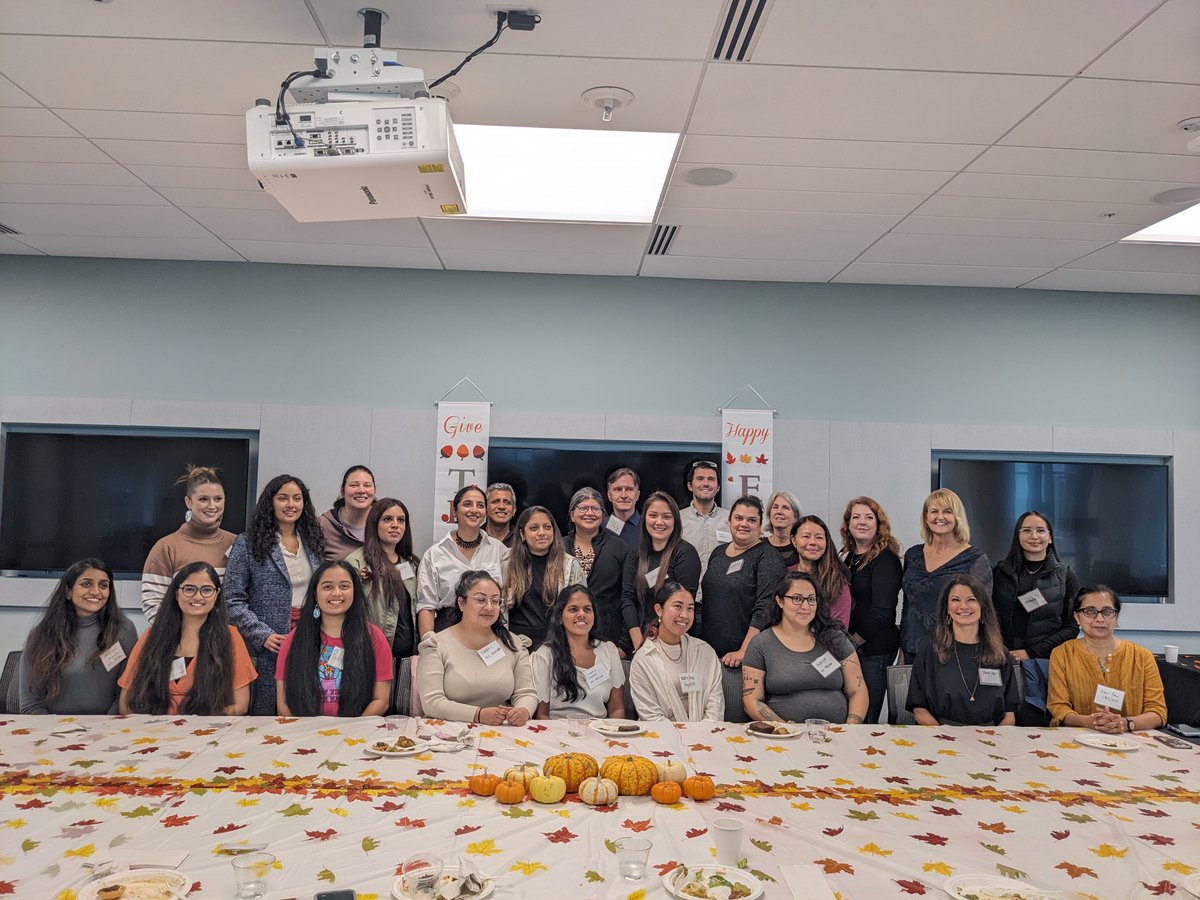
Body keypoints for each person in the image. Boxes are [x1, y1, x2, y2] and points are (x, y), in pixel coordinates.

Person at [225, 474, 324, 715]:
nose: (291, 505)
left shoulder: (313, 542)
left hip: (309, 636)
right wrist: (262, 634)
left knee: (306, 707)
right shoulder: (247, 543)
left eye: (297, 498)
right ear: (270, 502)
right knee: (266, 712)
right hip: (268, 644)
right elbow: (231, 600)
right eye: (283, 498)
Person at [119, 562, 256, 715]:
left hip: (207, 727)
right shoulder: (152, 637)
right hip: (152, 728)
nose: (197, 597)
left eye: (206, 590)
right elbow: (126, 702)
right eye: (189, 589)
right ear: (177, 594)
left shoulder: (230, 638)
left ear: (217, 595)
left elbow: (240, 706)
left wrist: (197, 725)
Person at [742, 572, 868, 724]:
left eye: (811, 599)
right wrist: (784, 728)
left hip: (837, 732)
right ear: (780, 601)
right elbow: (752, 701)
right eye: (797, 598)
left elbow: (857, 690)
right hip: (784, 734)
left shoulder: (835, 639)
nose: (806, 606)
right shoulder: (760, 644)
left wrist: (850, 728)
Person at [416, 571, 537, 725]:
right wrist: (477, 715)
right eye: (481, 600)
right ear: (461, 603)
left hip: (501, 730)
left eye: (495, 601)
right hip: (449, 730)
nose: (489, 607)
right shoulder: (436, 645)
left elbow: (526, 692)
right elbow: (432, 702)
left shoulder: (513, 644)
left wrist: (523, 711)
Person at [993, 511, 1080, 725]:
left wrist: (1031, 652)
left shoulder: (1066, 576)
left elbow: (1071, 628)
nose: (1034, 536)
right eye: (1027, 530)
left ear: (1050, 537)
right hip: (1002, 660)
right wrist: (999, 650)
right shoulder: (999, 573)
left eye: (1040, 531)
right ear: (1018, 536)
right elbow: (988, 618)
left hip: (1044, 664)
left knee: (1036, 722)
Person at [19, 558, 137, 714]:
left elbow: (125, 694)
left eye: (103, 585)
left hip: (107, 725)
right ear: (68, 591)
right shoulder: (41, 635)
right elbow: (31, 705)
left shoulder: (124, 631)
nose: (96, 592)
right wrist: (59, 728)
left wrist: (105, 725)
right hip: (52, 726)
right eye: (86, 584)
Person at [275, 560, 392, 716]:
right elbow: (283, 704)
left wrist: (353, 729)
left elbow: (381, 701)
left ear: (355, 591)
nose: (336, 593)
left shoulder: (374, 637)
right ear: (315, 594)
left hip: (358, 729)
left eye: (344, 586)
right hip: (305, 729)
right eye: (327, 587)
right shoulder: (294, 640)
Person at [1047, 586, 1167, 734]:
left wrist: (1126, 723)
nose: (1099, 619)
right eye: (1090, 612)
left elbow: (1158, 711)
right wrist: (1090, 722)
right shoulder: (1062, 654)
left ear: (1116, 617)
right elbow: (1058, 708)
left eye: (1107, 612)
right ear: (1077, 617)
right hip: (1077, 737)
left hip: (1131, 739)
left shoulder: (1142, 656)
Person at [906, 575, 1018, 726]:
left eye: (971, 600)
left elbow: (1009, 715)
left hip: (992, 735)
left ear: (983, 607)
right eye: (955, 600)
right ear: (947, 608)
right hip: (941, 733)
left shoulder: (1000, 654)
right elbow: (919, 709)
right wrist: (943, 736)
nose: (963, 606)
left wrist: (994, 738)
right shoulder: (930, 650)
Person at [899, 489, 993, 662]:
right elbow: (908, 605)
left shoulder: (975, 559)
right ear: (926, 517)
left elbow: (982, 611)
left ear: (957, 517)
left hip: (953, 652)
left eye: (947, 511)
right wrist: (902, 652)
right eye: (934, 511)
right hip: (912, 650)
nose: (940, 517)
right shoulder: (913, 555)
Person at [141, 465, 237, 624]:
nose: (212, 506)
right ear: (188, 502)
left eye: (218, 499)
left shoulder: (238, 544)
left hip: (226, 637)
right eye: (203, 499)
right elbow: (153, 603)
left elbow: (242, 601)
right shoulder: (166, 547)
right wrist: (184, 635)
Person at [699, 496, 787, 667]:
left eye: (751, 520)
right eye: (738, 518)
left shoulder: (768, 556)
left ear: (760, 526)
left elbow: (766, 608)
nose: (744, 524)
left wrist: (744, 651)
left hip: (744, 658)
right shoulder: (718, 553)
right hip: (710, 653)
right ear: (729, 521)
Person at [839, 497, 902, 724]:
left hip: (874, 651)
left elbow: (883, 612)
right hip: (849, 649)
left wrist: (851, 642)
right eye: (856, 517)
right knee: (845, 713)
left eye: (869, 517)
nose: (862, 522)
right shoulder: (847, 557)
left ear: (878, 524)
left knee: (864, 718)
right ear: (848, 524)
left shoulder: (885, 559)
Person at [416, 485, 508, 636]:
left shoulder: (499, 550)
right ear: (454, 511)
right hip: (448, 632)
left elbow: (506, 601)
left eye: (480, 505)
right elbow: (426, 606)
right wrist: (429, 645)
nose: (474, 510)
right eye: (467, 504)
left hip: (490, 634)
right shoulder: (435, 554)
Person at [619, 491, 701, 651]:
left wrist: (652, 641)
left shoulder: (685, 553)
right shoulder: (636, 552)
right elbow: (627, 597)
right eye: (653, 515)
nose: (659, 522)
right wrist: (637, 639)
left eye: (666, 516)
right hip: (637, 640)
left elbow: (683, 605)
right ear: (644, 519)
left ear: (675, 520)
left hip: (671, 639)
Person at [628, 584, 723, 721]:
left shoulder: (704, 651)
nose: (684, 615)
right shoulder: (644, 659)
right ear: (659, 610)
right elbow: (651, 715)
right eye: (678, 606)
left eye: (690, 608)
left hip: (706, 732)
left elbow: (715, 706)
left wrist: (703, 732)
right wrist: (683, 734)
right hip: (661, 732)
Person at [532, 586, 626, 719]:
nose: (581, 614)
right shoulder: (544, 656)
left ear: (594, 616)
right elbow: (541, 715)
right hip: (557, 730)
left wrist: (611, 732)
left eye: (587, 609)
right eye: (573, 609)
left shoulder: (609, 651)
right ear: (560, 617)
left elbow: (617, 709)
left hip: (599, 730)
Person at [344, 498, 418, 663]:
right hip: (371, 656)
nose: (395, 525)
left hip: (407, 660)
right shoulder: (357, 562)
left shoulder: (411, 564)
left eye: (401, 520)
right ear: (374, 523)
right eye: (387, 519)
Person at [503, 506, 586, 650]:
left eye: (547, 527)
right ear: (522, 534)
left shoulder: (571, 565)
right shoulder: (505, 562)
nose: (542, 533)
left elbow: (581, 608)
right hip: (514, 645)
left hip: (556, 644)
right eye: (534, 528)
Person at [564, 487, 630, 655]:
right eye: (583, 508)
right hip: (564, 639)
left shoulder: (619, 547)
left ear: (603, 515)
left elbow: (628, 595)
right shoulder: (558, 547)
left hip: (609, 638)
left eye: (595, 508)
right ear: (572, 515)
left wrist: (624, 644)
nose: (589, 513)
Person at [678, 460, 730, 592]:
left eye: (711, 479)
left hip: (722, 596)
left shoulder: (731, 520)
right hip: (686, 596)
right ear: (690, 485)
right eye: (700, 478)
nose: (706, 483)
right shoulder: (677, 519)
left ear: (718, 487)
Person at [792, 515, 852, 628]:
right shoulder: (786, 575)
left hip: (824, 639)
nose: (812, 542)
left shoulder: (836, 581)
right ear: (794, 540)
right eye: (806, 536)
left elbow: (839, 628)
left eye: (819, 537)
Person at [317, 465, 376, 560]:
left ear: (374, 491)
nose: (361, 490)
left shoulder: (385, 523)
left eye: (367, 485)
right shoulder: (322, 526)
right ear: (342, 491)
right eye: (354, 485)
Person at [602, 467, 642, 550]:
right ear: (609, 496)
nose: (624, 495)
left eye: (629, 489)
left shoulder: (649, 526)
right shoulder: (600, 527)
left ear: (637, 495)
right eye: (618, 489)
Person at [763, 490, 801, 569]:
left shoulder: (801, 548)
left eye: (785, 508)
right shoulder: (759, 546)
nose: (779, 512)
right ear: (769, 514)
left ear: (795, 517)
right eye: (775, 507)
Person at [484, 482, 518, 547]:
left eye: (507, 503)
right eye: (495, 502)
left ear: (514, 510)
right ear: (485, 508)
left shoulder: (523, 538)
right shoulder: (475, 537)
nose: (501, 506)